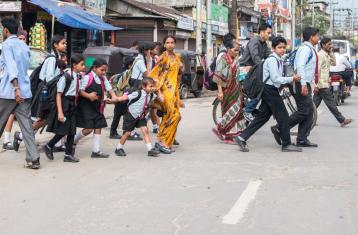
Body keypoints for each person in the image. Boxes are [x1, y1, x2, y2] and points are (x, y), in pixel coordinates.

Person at [235, 37, 302, 152]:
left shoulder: (279, 59)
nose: (282, 50)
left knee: (262, 117)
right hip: (269, 90)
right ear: (273, 48)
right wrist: (292, 79)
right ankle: (286, 144)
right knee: (283, 116)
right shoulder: (272, 60)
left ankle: (241, 137)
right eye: (279, 47)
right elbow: (275, 79)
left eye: (284, 47)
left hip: (270, 89)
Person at [13, 35, 67, 152]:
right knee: (44, 119)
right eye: (63, 43)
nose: (65, 45)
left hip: (49, 92)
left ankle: (57, 144)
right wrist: (61, 78)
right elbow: (48, 77)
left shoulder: (57, 57)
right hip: (46, 93)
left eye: (65, 43)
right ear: (55, 45)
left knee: (45, 118)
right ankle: (21, 136)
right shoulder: (52, 59)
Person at [0, 18, 40, 169]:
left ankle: (33, 158)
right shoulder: (24, 46)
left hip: (10, 92)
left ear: (6, 30)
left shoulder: (7, 45)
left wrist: (15, 89)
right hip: (25, 92)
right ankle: (34, 158)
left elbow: (12, 68)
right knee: (27, 126)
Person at [44, 55, 85, 163]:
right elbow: (58, 95)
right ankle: (49, 145)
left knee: (71, 131)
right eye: (82, 64)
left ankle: (67, 155)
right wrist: (60, 113)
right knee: (64, 130)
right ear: (75, 65)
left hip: (72, 105)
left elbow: (78, 91)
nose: (84, 66)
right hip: (65, 104)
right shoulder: (66, 76)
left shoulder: (77, 76)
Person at [73, 58, 118, 158]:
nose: (104, 72)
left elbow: (109, 88)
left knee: (98, 126)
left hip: (98, 107)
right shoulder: (87, 77)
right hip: (87, 107)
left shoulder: (102, 78)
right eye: (102, 70)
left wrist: (114, 97)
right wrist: (89, 96)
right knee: (89, 129)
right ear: (94, 68)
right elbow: (80, 91)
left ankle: (96, 151)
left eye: (105, 70)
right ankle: (73, 141)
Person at [149, 35, 184, 154]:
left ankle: (162, 140)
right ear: (164, 45)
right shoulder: (162, 58)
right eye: (167, 42)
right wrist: (158, 93)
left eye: (172, 42)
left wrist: (181, 68)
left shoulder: (178, 57)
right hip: (164, 91)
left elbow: (179, 75)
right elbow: (154, 76)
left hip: (174, 92)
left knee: (171, 117)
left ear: (175, 44)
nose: (170, 44)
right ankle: (164, 142)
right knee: (174, 115)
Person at [110, 77, 161, 157]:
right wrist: (115, 99)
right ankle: (118, 148)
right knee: (127, 133)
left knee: (145, 130)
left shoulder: (151, 95)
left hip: (140, 116)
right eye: (150, 86)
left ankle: (150, 149)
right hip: (130, 115)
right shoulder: (137, 93)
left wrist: (159, 95)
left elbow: (155, 101)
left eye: (153, 86)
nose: (152, 88)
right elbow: (125, 97)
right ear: (144, 87)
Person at [288, 27, 320, 148]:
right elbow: (300, 67)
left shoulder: (309, 49)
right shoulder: (306, 49)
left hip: (305, 82)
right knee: (305, 111)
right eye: (317, 35)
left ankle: (302, 138)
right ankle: (281, 128)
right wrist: (303, 85)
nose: (318, 38)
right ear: (311, 37)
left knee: (308, 111)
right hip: (301, 82)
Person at [313, 37, 353, 127]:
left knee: (314, 104)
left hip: (324, 83)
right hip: (322, 84)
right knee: (331, 103)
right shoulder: (320, 55)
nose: (331, 46)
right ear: (323, 45)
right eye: (329, 44)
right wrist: (315, 84)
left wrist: (331, 52)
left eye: (331, 44)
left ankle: (307, 119)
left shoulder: (326, 54)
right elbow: (316, 71)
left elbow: (334, 63)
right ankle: (342, 120)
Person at [211, 34, 241, 144]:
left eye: (238, 50)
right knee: (228, 112)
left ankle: (234, 134)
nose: (237, 52)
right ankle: (225, 133)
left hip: (236, 88)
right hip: (226, 89)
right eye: (235, 50)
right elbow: (218, 75)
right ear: (228, 49)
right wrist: (219, 91)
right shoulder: (223, 58)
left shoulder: (236, 58)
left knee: (237, 112)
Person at [240, 23, 272, 121]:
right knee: (260, 87)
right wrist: (264, 66)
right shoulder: (254, 41)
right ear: (262, 32)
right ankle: (248, 109)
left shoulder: (264, 44)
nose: (269, 35)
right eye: (268, 33)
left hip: (254, 68)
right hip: (245, 68)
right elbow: (255, 57)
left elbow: (268, 55)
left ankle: (253, 108)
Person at [109, 57, 135, 139]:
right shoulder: (127, 74)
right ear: (130, 65)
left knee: (118, 115)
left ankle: (115, 132)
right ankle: (121, 132)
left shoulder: (123, 73)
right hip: (121, 97)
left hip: (119, 97)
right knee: (123, 115)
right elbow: (123, 86)